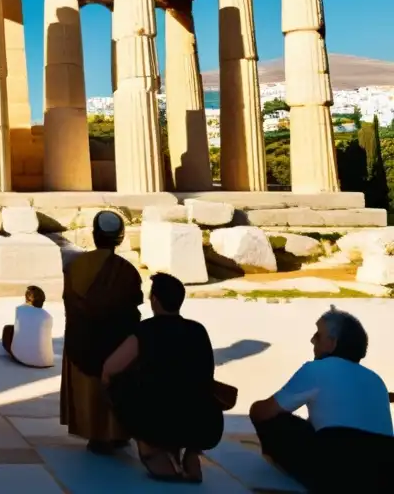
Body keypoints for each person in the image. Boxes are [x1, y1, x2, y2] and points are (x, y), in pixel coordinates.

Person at [249, 307, 394, 492]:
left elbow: (264, 412)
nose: (312, 340)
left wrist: (256, 409)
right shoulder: (377, 380)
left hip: (337, 467)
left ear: (332, 343)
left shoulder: (316, 369)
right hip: (385, 472)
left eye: (318, 336)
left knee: (273, 417)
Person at [102, 273, 223, 482]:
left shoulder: (146, 330)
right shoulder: (197, 330)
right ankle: (189, 450)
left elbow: (110, 368)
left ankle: (150, 446)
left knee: (118, 384)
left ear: (155, 300)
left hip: (158, 419)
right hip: (203, 421)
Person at [60, 210, 142, 454]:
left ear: (94, 235)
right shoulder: (127, 270)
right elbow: (133, 307)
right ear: (120, 238)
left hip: (81, 339)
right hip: (115, 341)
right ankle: (116, 432)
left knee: (90, 387)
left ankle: (95, 433)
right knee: (114, 382)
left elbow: (69, 301)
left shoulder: (74, 266)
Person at [1, 285, 54, 368]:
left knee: (8, 329)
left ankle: (20, 354)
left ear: (27, 299)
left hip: (22, 359)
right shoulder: (48, 317)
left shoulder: (20, 309)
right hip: (46, 362)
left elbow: (18, 329)